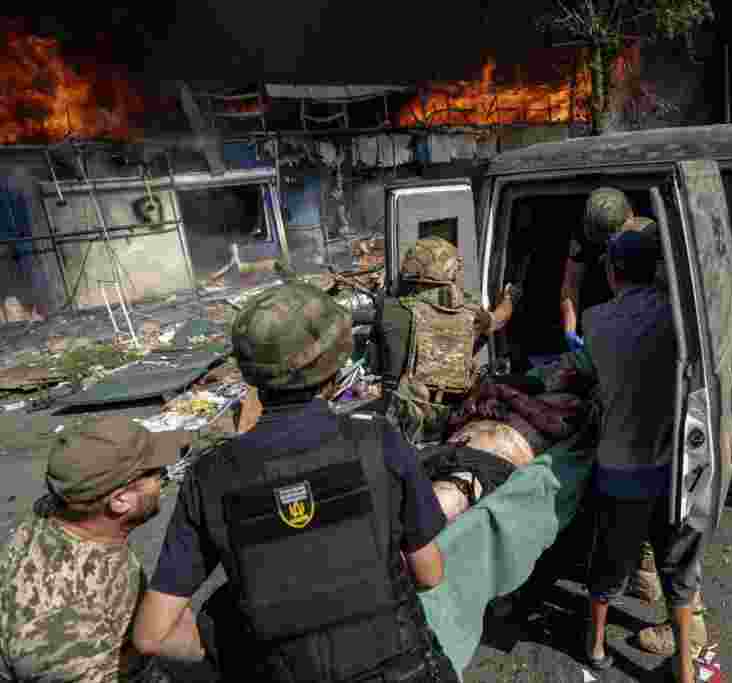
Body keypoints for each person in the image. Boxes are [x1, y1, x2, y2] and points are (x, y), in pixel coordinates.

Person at [131, 282, 459, 682]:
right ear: (336, 366)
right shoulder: (379, 441)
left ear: (253, 374)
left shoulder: (210, 475)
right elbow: (429, 574)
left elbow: (152, 636)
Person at [581, 228, 703, 683]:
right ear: (655, 269)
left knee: (610, 563)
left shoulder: (594, 321)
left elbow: (590, 376)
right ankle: (686, 668)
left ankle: (595, 646)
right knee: (679, 568)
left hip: (621, 471)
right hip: (677, 472)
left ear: (612, 272)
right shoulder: (682, 317)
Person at [0, 416, 189, 682]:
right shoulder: (66, 625)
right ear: (120, 500)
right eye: (155, 473)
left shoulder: (63, 510)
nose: (163, 478)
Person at [373, 236, 518, 443]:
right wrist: (509, 298)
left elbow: (375, 366)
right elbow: (499, 320)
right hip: (451, 426)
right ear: (450, 272)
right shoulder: (472, 313)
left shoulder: (388, 310)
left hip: (399, 425)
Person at [559, 187, 654, 352]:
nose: (609, 243)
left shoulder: (650, 233)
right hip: (605, 306)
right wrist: (570, 329)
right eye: (604, 240)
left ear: (630, 214)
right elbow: (571, 281)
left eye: (615, 238)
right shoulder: (585, 236)